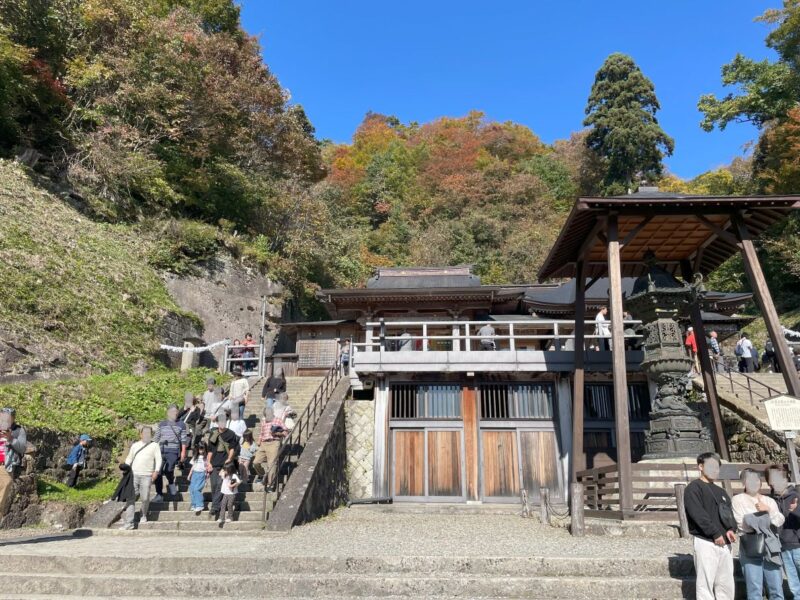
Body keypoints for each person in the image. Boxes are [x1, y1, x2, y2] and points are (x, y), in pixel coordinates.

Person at [684, 452, 737, 600]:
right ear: (700, 466)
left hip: (725, 543)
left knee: (726, 584)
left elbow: (728, 514)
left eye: (717, 467)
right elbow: (697, 514)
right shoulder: (693, 488)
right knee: (705, 584)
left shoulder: (721, 491)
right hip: (706, 541)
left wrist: (731, 529)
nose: (715, 470)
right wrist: (714, 533)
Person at [733, 468, 785, 600]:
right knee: (754, 590)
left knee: (776, 589)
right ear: (743, 482)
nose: (754, 483)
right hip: (751, 546)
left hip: (771, 547)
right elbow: (742, 523)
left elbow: (779, 520)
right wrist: (767, 519)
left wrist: (767, 511)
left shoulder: (769, 501)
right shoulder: (737, 499)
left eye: (757, 480)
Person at [767, 465, 800, 598]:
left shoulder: (797, 495)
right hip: (783, 546)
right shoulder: (770, 500)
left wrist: (797, 510)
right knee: (793, 584)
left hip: (798, 544)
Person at [121, 426, 161, 530]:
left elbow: (159, 459)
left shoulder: (155, 445)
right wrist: (126, 467)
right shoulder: (135, 445)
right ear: (141, 434)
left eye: (148, 433)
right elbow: (130, 458)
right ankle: (129, 522)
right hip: (133, 474)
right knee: (130, 498)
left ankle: (143, 514)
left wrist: (156, 471)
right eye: (144, 433)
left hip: (147, 475)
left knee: (145, 497)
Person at [153, 404, 188, 502]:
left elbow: (184, 440)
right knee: (158, 472)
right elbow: (156, 439)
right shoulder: (162, 424)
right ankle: (159, 494)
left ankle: (171, 483)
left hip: (173, 451)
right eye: (172, 411)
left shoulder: (181, 424)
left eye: (176, 412)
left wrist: (183, 453)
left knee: (168, 470)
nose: (175, 414)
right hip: (160, 450)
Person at [206, 414, 239, 519]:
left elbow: (232, 448)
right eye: (220, 421)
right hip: (214, 463)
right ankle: (218, 506)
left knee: (220, 485)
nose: (222, 423)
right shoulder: (213, 433)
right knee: (214, 485)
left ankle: (214, 508)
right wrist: (208, 462)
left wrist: (229, 459)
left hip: (225, 464)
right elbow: (210, 450)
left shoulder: (231, 434)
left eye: (224, 421)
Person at [0, 407, 27, 517]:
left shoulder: (19, 430)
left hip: (6, 465)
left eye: (8, 417)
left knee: (6, 484)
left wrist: (11, 438)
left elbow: (22, 449)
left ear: (13, 418)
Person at [253, 406, 287, 492]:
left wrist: (277, 433)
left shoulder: (278, 420)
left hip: (274, 442)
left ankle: (270, 484)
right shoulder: (264, 421)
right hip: (264, 443)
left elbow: (286, 432)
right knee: (256, 462)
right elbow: (261, 432)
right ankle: (262, 475)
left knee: (271, 464)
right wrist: (259, 441)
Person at [188, 442, 208, 514]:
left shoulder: (206, 457)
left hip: (201, 474)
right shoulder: (195, 456)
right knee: (191, 489)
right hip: (194, 474)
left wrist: (206, 479)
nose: (201, 451)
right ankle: (194, 504)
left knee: (197, 489)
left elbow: (207, 468)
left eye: (203, 450)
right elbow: (193, 466)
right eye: (200, 449)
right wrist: (190, 474)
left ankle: (200, 504)